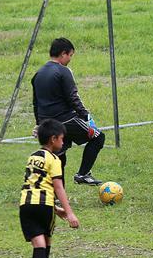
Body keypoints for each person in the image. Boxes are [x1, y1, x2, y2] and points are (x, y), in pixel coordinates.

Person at [31, 38, 105, 185]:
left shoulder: (38, 74)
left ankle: (58, 197)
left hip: (48, 122)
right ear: (63, 54)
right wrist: (87, 117)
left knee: (59, 156)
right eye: (70, 55)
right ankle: (83, 174)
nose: (70, 59)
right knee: (98, 137)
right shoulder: (63, 71)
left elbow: (35, 103)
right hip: (66, 120)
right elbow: (73, 98)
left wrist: (39, 124)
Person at [20, 119, 80, 258]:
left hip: (26, 204)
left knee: (38, 242)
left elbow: (35, 185)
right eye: (62, 139)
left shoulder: (32, 157)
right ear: (53, 139)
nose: (63, 142)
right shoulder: (54, 159)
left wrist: (56, 209)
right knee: (44, 243)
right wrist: (70, 213)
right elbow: (57, 187)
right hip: (44, 206)